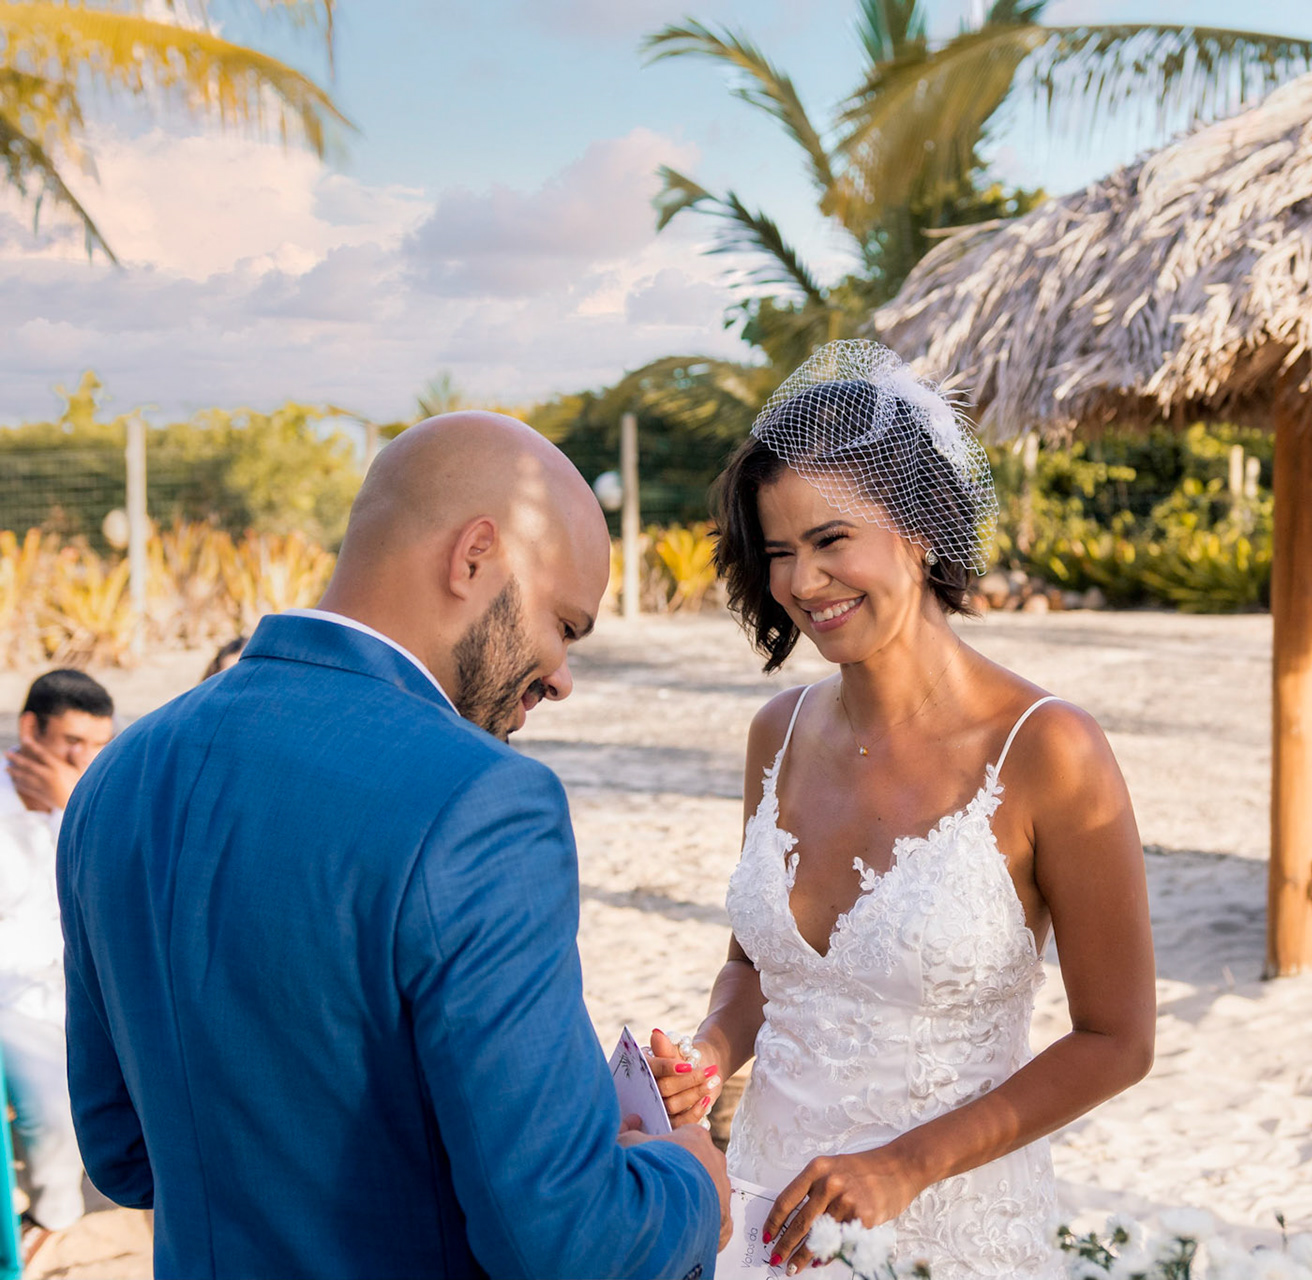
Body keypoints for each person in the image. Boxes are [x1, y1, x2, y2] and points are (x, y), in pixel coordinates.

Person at [57, 412, 727, 1279]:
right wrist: (686, 1179)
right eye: (565, 624)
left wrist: (563, 1107)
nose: (562, 675)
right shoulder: (481, 800)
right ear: (474, 556)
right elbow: (564, 1242)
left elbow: (124, 1152)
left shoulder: (120, 773)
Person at [652, 341, 1156, 1279]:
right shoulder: (776, 733)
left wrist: (908, 1165)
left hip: (955, 1237)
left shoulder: (1050, 750)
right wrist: (710, 1051)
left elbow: (1118, 1041)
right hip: (764, 1221)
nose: (803, 584)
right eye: (778, 554)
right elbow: (757, 970)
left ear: (920, 531)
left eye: (832, 540)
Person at [2, 670, 114, 1262]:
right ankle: (53, 1215)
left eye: (99, 745)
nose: (86, 758)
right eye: (72, 741)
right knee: (50, 1092)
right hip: (9, 994)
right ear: (29, 729)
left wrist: (76, 805)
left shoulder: (96, 802)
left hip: (83, 980)